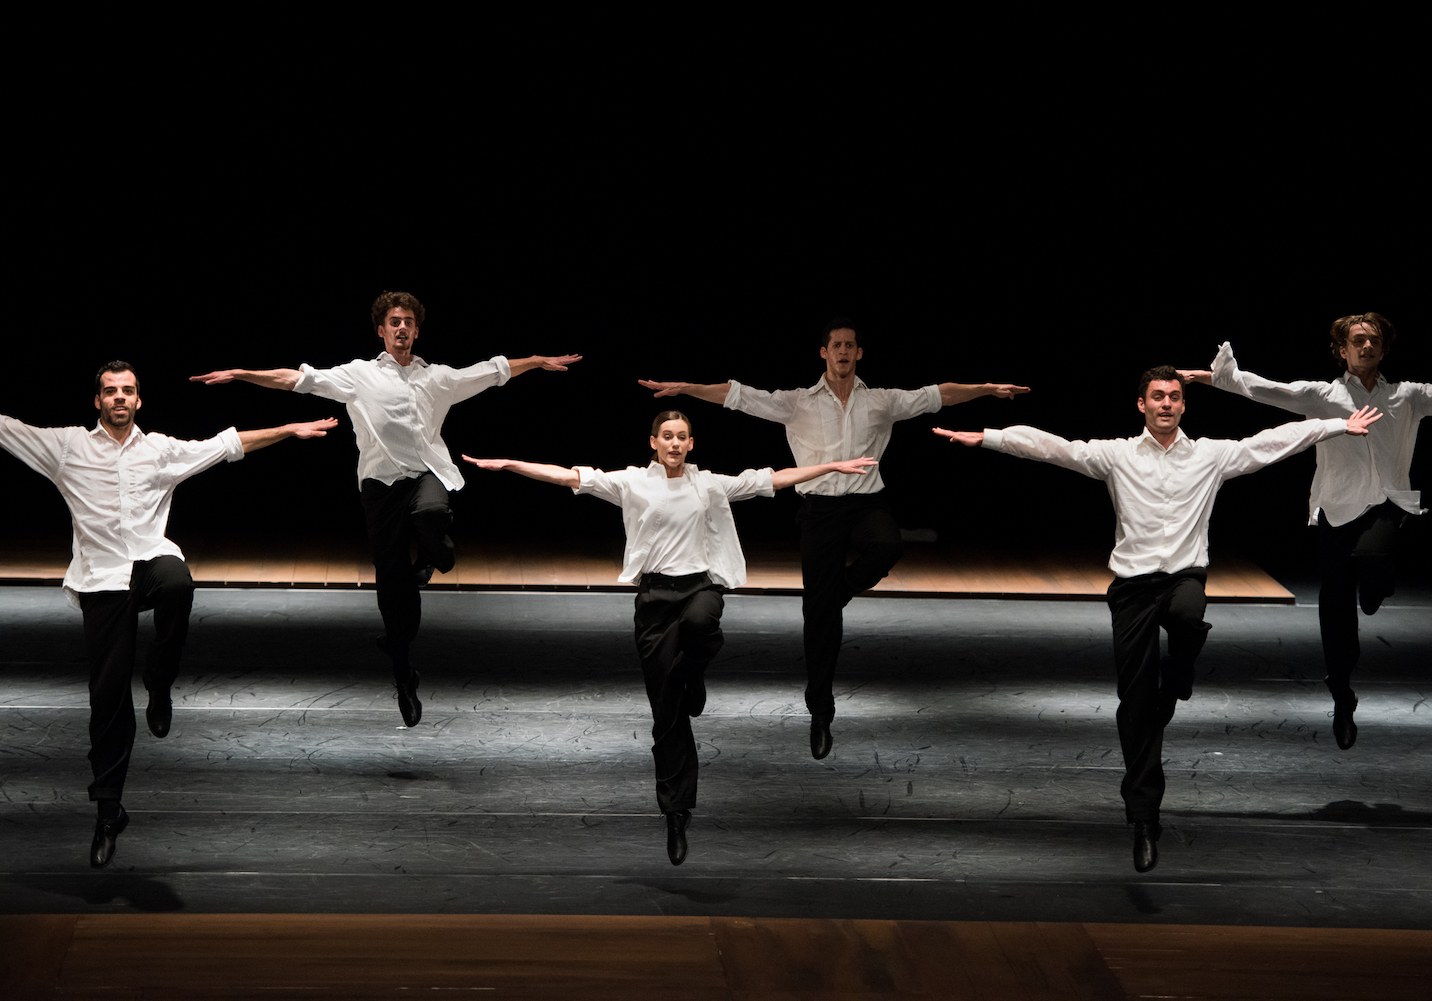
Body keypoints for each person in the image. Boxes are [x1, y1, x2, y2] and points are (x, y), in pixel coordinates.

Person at [934, 366, 1380, 872]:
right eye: (1157, 396)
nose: (1166, 403)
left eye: (1174, 396)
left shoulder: (1210, 455)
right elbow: (1054, 447)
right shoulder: (1117, 455)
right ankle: (1144, 817)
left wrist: (1334, 425)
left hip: (1184, 579)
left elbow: (1271, 442)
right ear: (1141, 405)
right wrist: (990, 437)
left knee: (1190, 615)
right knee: (1137, 707)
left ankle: (1179, 673)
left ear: (1184, 405)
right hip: (1131, 589)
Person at [462, 410, 877, 865]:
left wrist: (832, 467)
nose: (675, 444)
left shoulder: (710, 484)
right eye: (668, 437)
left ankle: (695, 670)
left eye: (682, 437)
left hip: (700, 589)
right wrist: (510, 464)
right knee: (668, 715)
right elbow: (568, 477)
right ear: (654, 443)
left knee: (702, 623)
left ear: (691, 444)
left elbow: (774, 480)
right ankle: (676, 813)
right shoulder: (632, 482)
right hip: (655, 601)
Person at [640, 316, 1030, 760]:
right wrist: (687, 388)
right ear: (824, 353)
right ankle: (820, 713)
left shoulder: (880, 402)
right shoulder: (798, 403)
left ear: (859, 353)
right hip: (820, 513)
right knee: (820, 623)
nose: (843, 351)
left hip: (866, 506)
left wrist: (987, 388)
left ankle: (837, 593)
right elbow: (738, 396)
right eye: (836, 346)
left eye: (850, 345)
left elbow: (937, 395)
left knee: (887, 546)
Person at [191, 290, 581, 728]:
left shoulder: (438, 378)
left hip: (427, 476)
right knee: (394, 593)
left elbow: (494, 371)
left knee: (432, 514)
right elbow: (295, 380)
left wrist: (536, 360)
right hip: (380, 487)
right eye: (394, 321)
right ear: (382, 330)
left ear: (417, 330)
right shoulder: (358, 376)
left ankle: (439, 558)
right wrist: (242, 374)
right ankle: (403, 669)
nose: (401, 328)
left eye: (409, 322)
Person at [1, 361, 338, 868]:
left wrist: (288, 429)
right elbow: (6, 428)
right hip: (101, 581)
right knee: (107, 699)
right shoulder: (66, 447)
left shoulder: (160, 450)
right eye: (110, 391)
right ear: (97, 401)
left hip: (149, 565)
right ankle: (109, 812)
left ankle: (159, 683)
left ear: (139, 401)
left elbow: (227, 445)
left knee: (178, 581)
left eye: (128, 391)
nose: (119, 397)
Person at [1178, 314, 1432, 749]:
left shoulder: (1408, 397)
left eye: (1374, 341)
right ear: (1342, 350)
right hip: (1336, 511)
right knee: (1335, 612)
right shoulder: (1322, 395)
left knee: (1374, 560)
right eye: (1357, 341)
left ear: (1384, 349)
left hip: (1386, 505)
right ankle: (1342, 696)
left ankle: (1375, 586)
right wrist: (1219, 379)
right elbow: (1270, 390)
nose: (1366, 347)